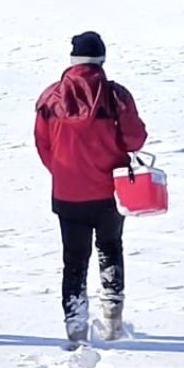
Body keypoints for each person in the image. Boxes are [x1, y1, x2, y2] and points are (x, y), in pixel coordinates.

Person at [35, 31, 148, 346]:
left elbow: (42, 144)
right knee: (110, 248)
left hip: (68, 193)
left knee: (74, 259)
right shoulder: (116, 96)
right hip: (110, 190)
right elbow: (135, 140)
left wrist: (61, 171)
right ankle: (113, 320)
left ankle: (75, 327)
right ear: (101, 59)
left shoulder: (51, 97)